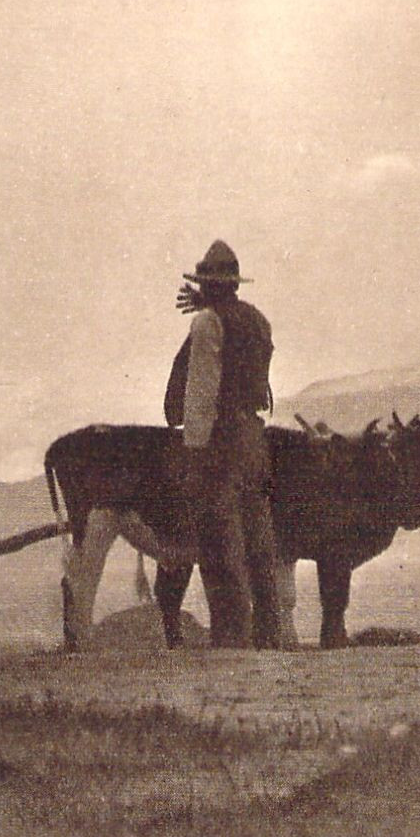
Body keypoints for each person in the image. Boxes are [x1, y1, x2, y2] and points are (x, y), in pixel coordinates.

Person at [164, 240, 283, 649]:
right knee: (259, 543)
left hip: (219, 444)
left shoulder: (208, 324)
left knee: (219, 544)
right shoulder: (258, 320)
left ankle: (232, 640)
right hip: (254, 442)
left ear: (208, 285)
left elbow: (200, 395)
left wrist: (193, 453)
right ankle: (271, 636)